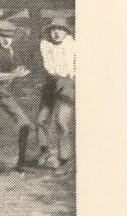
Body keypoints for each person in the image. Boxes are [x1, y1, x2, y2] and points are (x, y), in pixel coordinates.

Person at [0, 18, 33, 173]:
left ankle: (20, 163)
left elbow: (15, 68)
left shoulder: (11, 51)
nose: (6, 40)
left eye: (10, 36)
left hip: (4, 94)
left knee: (25, 124)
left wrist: (20, 70)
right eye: (2, 36)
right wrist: (14, 74)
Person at [37, 17, 75, 174]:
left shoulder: (73, 46)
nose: (56, 32)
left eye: (60, 29)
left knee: (61, 122)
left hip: (67, 83)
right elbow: (46, 67)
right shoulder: (45, 45)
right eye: (53, 29)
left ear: (66, 32)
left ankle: (65, 160)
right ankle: (44, 151)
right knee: (41, 119)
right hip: (51, 83)